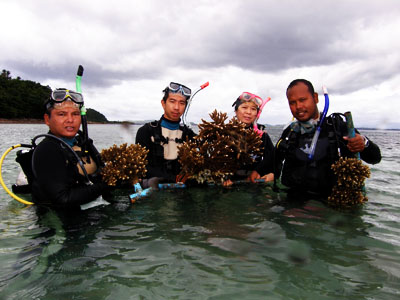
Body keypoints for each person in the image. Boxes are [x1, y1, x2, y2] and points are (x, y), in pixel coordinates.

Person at [275, 79, 381, 197]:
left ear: (315, 98)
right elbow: (273, 163)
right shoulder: (290, 133)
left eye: (303, 100)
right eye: (292, 102)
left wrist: (364, 143)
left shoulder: (337, 128)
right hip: (294, 204)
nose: (298, 106)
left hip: (332, 205)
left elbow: (375, 158)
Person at [31, 88, 107, 209]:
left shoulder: (83, 142)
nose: (70, 120)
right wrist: (105, 185)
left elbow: (102, 169)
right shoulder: (47, 150)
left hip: (94, 210)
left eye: (75, 114)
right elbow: (63, 199)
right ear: (47, 119)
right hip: (65, 221)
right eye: (62, 114)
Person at [135, 82, 196, 188]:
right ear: (163, 103)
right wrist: (173, 178)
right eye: (172, 101)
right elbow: (141, 167)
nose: (177, 107)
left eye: (182, 103)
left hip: (181, 194)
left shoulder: (189, 135)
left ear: (185, 106)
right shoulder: (146, 131)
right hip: (154, 192)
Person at [223, 92, 275, 187]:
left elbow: (272, 159)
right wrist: (224, 179)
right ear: (236, 110)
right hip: (231, 183)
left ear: (257, 113)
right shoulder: (224, 133)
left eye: (253, 109)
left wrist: (272, 174)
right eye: (244, 107)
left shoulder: (262, 135)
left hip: (253, 182)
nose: (248, 112)